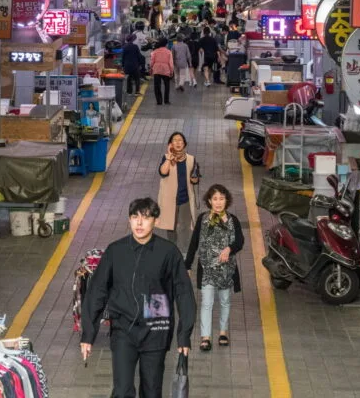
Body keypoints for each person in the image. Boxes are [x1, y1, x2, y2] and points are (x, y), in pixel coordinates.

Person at [80, 197, 196, 398]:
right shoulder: (116, 251)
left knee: (151, 391)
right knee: (122, 390)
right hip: (123, 330)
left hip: (156, 330)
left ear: (156, 221)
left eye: (145, 218)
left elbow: (184, 292)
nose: (139, 223)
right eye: (135, 217)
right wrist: (88, 334)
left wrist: (184, 335)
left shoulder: (168, 252)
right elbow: (97, 290)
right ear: (129, 220)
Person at [184, 184, 245, 352]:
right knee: (206, 302)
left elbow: (240, 241)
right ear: (209, 201)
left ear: (227, 201)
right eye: (215, 199)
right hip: (207, 269)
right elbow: (194, 242)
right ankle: (206, 337)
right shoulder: (202, 219)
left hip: (226, 270)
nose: (218, 203)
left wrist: (229, 249)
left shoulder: (233, 221)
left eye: (222, 199)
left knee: (225, 301)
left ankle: (223, 332)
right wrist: (187, 264)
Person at [158, 132, 200, 241]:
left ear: (184, 144)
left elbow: (195, 179)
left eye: (180, 140)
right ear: (170, 144)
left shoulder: (191, 159)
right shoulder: (166, 158)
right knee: (170, 227)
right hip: (169, 200)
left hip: (185, 199)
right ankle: (173, 249)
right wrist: (168, 157)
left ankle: (184, 251)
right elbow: (163, 172)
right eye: (174, 140)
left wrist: (194, 179)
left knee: (185, 227)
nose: (178, 142)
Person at [150, 38, 174, 106]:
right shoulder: (169, 52)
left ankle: (159, 101)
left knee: (157, 86)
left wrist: (151, 69)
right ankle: (166, 101)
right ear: (166, 44)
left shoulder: (155, 51)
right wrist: (171, 71)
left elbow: (152, 61)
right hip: (166, 69)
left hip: (156, 69)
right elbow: (171, 63)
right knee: (167, 86)